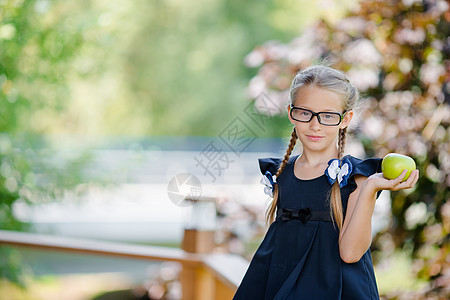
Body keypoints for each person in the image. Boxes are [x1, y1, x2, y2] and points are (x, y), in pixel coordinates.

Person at [233, 65, 419, 300]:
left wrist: (371, 188)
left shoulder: (356, 177)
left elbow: (351, 253)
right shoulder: (282, 174)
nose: (315, 125)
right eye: (305, 113)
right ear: (291, 113)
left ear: (345, 119)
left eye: (328, 116)